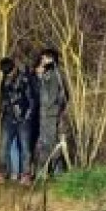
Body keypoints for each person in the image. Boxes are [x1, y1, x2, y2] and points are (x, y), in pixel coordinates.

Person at [0, 57, 35, 184]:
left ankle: (26, 174)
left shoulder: (25, 79)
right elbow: (2, 97)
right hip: (8, 117)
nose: (8, 73)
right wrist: (0, 111)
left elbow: (32, 99)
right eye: (6, 72)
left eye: (10, 71)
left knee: (25, 147)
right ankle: (1, 172)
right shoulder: (4, 80)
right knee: (3, 146)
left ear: (14, 67)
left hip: (23, 118)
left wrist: (27, 115)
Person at [34, 48, 70, 179]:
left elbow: (53, 96)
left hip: (50, 114)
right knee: (47, 142)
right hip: (45, 114)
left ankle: (53, 172)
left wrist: (51, 109)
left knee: (48, 143)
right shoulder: (47, 74)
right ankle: (54, 171)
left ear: (52, 59)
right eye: (42, 58)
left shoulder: (55, 75)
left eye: (45, 58)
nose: (42, 61)